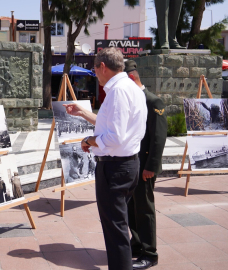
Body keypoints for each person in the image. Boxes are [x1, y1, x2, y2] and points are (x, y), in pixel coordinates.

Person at [63, 47, 147, 270]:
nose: (95, 74)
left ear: (102, 66)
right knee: (118, 226)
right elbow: (110, 124)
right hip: (127, 165)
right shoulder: (131, 87)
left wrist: (88, 141)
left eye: (95, 69)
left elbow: (114, 137)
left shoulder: (118, 91)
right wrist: (82, 112)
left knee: (116, 230)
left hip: (115, 168)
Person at [124, 60, 167, 269]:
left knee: (145, 209)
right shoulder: (132, 99)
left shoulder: (153, 101)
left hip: (145, 167)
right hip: (132, 164)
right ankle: (138, 243)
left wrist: (151, 167)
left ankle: (150, 253)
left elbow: (158, 139)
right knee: (132, 207)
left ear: (131, 78)